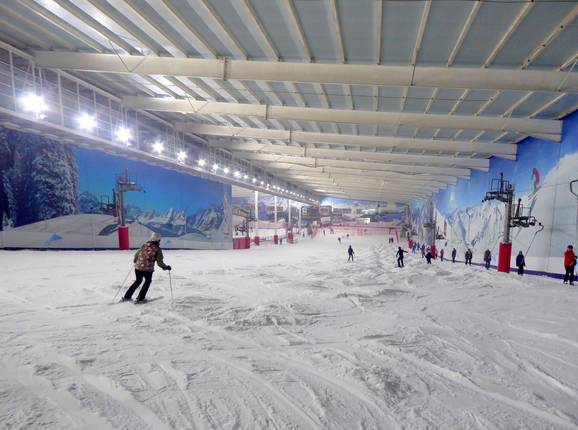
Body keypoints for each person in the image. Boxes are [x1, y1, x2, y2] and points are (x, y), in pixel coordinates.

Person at [123, 232, 171, 303]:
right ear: (158, 240)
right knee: (147, 282)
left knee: (138, 281)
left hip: (138, 268)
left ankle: (127, 296)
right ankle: (140, 298)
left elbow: (136, 255)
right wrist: (166, 267)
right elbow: (159, 262)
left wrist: (136, 261)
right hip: (147, 270)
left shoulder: (144, 245)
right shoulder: (157, 249)